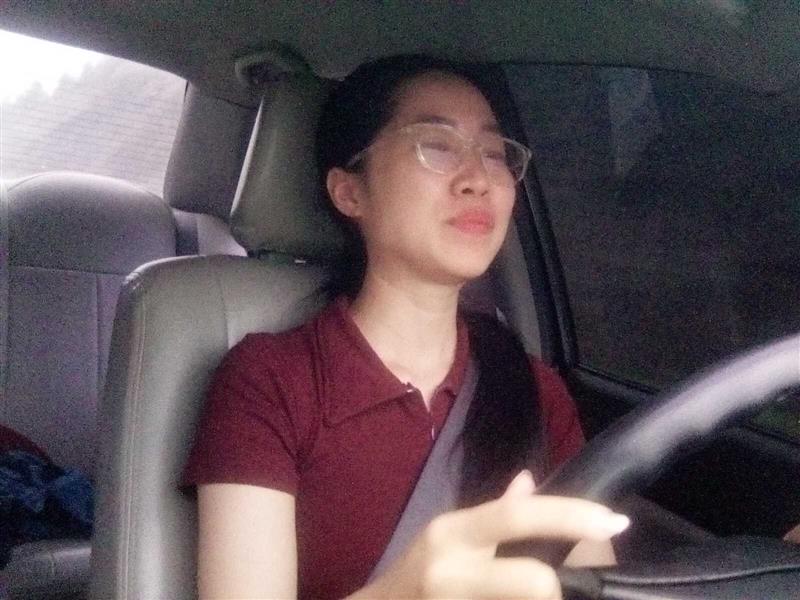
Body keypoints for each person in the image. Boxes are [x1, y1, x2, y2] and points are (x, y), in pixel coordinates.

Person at [182, 55, 630, 600]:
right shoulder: (270, 381)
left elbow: (590, 584)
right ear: (350, 192)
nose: (478, 179)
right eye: (437, 146)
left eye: (494, 154)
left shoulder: (533, 389)